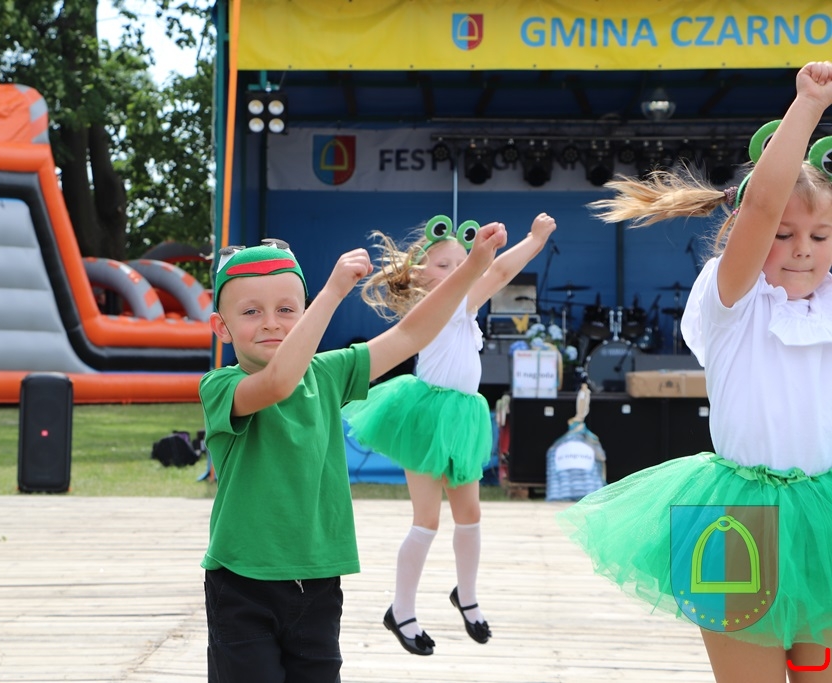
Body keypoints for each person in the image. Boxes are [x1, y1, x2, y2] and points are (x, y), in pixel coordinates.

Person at [558, 61, 832, 683]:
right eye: (785, 233)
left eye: (820, 236)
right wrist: (810, 105)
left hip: (824, 518)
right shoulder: (733, 298)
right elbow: (762, 205)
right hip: (734, 519)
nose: (802, 248)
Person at [200, 224, 507, 683]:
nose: (271, 322)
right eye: (251, 311)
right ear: (220, 328)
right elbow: (278, 382)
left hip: (318, 582)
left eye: (286, 309)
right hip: (242, 584)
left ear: (303, 313)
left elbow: (411, 333)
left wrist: (473, 268)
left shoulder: (329, 374)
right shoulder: (220, 386)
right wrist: (331, 294)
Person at [341, 212, 557, 656]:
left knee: (470, 514)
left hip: (462, 418)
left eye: (462, 262)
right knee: (427, 520)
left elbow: (492, 271)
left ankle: (467, 596)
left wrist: (530, 242)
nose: (459, 270)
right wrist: (532, 240)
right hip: (427, 418)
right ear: (421, 275)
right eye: (446, 265)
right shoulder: (442, 304)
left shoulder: (463, 304)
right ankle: (401, 609)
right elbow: (496, 271)